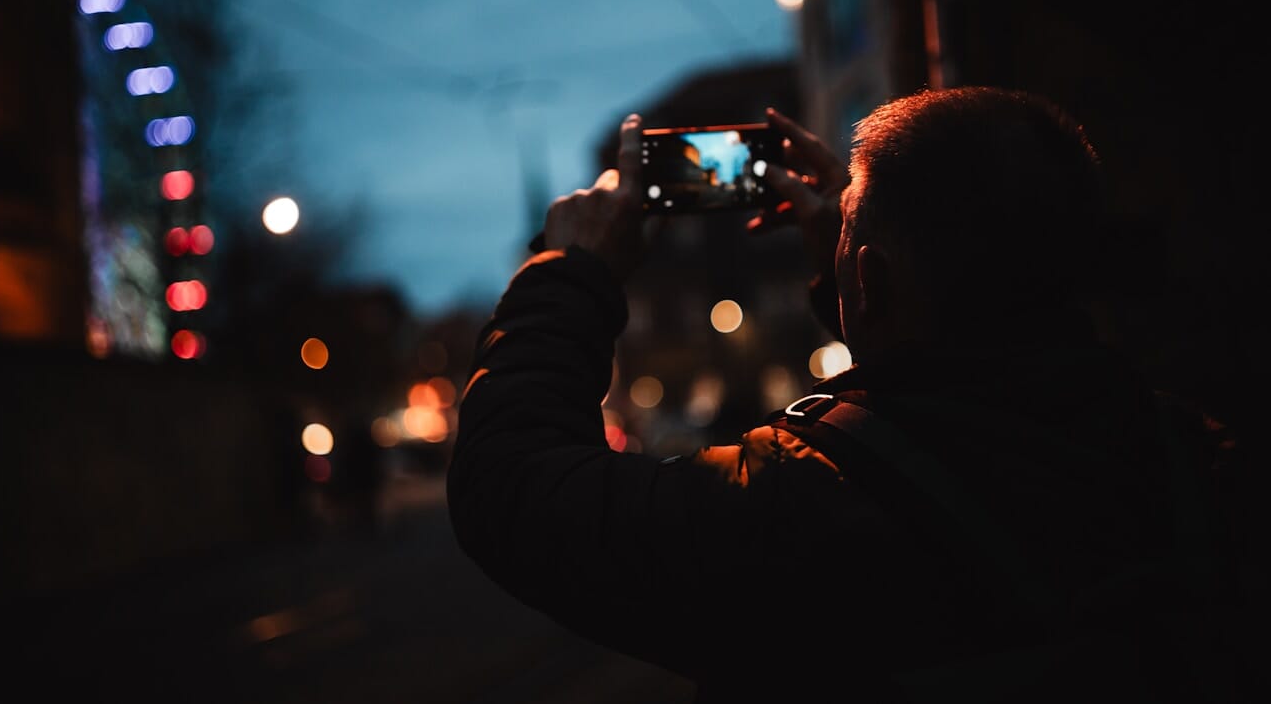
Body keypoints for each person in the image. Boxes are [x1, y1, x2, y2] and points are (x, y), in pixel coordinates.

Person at [446, 87, 1254, 703]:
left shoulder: (795, 506)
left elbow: (510, 484)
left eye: (848, 249)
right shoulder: (1201, 461)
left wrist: (572, 274)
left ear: (866, 279)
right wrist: (865, 267)